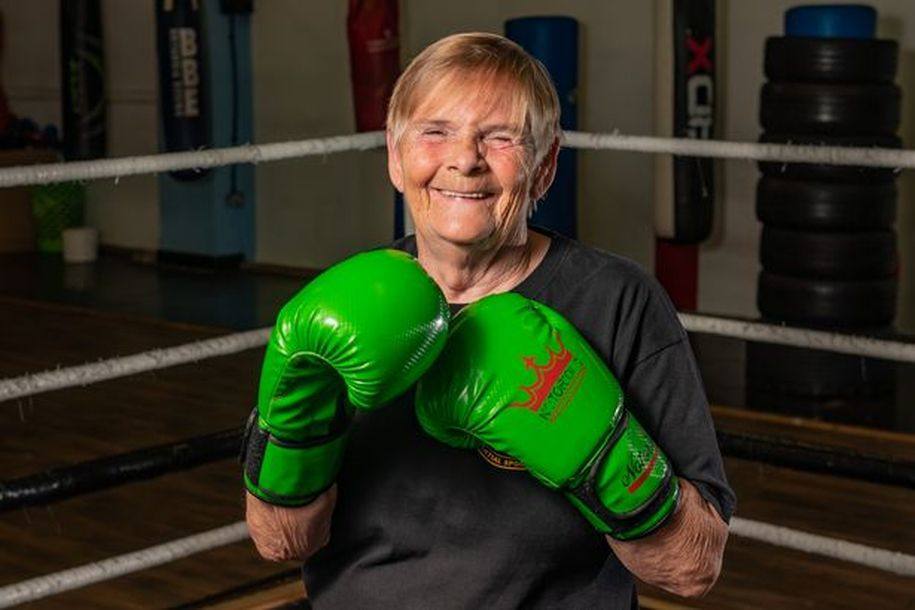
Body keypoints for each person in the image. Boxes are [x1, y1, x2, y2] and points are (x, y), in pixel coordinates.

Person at [244, 32, 735, 609]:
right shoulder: (343, 310)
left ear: (545, 167)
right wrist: (301, 426)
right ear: (395, 157)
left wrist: (603, 461)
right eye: (435, 132)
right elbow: (281, 541)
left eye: (499, 137)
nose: (465, 160)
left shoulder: (618, 302)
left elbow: (692, 568)